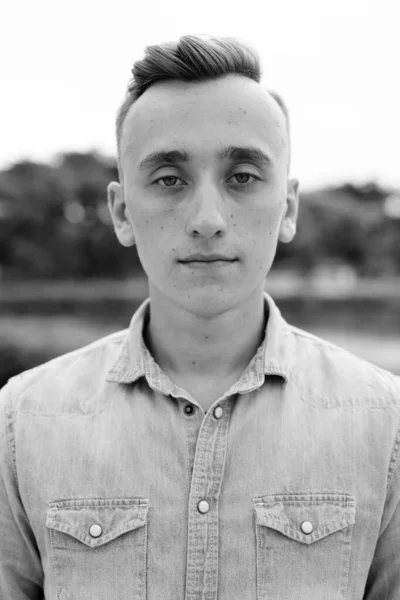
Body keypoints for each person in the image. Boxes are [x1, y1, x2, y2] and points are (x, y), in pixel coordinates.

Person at [0, 34, 399, 600]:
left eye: (242, 177)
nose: (207, 218)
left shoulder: (385, 426)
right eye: (169, 179)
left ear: (286, 209)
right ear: (121, 212)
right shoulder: (21, 423)